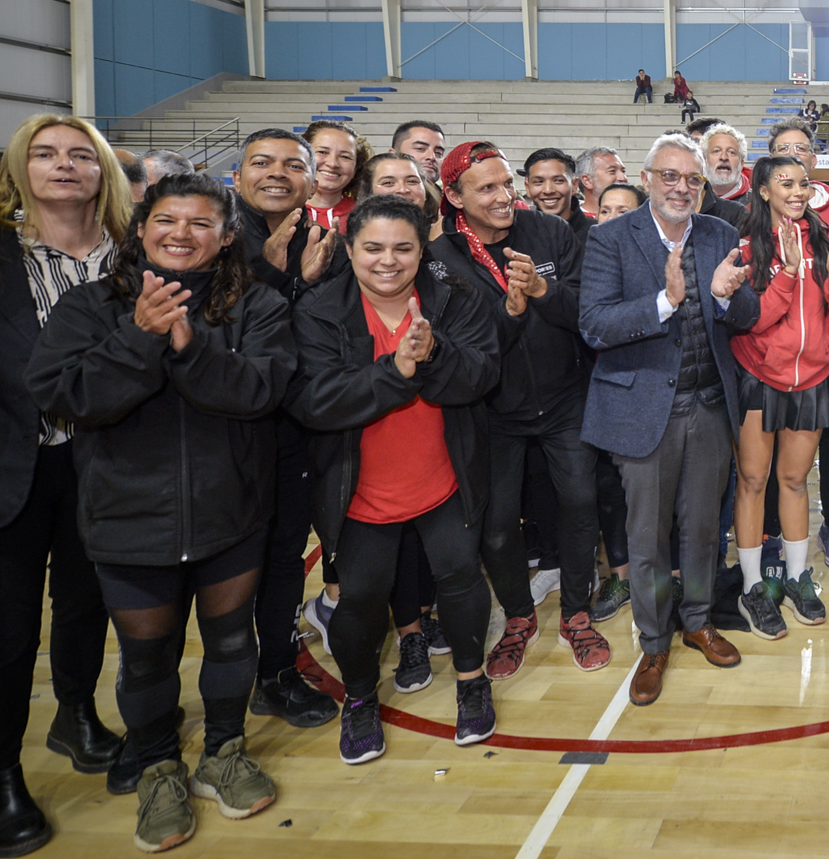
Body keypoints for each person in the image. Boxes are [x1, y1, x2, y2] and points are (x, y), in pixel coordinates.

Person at [28, 173, 296, 852]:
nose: (183, 233)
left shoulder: (257, 306)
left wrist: (189, 346)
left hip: (230, 511)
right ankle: (158, 769)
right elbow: (71, 397)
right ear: (141, 229)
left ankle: (224, 755)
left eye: (202, 222)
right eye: (168, 221)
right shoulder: (92, 307)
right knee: (147, 660)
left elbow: (259, 391)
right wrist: (139, 338)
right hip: (128, 517)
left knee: (234, 641)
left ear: (228, 235)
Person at [286, 195, 502, 765]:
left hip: (444, 477)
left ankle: (471, 679)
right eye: (373, 248)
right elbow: (315, 402)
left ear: (421, 249)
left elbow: (482, 374)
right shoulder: (317, 310)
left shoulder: (455, 295)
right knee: (359, 600)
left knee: (460, 579)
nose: (388, 260)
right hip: (357, 489)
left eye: (403, 247)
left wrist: (434, 355)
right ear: (349, 250)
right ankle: (359, 700)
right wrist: (397, 370)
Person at [578, 134, 760, 707]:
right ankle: (654, 641)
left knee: (704, 527)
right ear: (648, 178)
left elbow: (747, 314)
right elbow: (595, 324)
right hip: (641, 411)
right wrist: (665, 300)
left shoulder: (720, 233)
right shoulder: (610, 239)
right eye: (671, 177)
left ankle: (699, 621)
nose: (683, 188)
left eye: (693, 180)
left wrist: (728, 298)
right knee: (649, 538)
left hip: (708, 406)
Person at [0, 115, 129, 856]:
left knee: (87, 602)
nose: (63, 166)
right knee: (11, 629)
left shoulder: (132, 258)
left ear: (101, 170)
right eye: (45, 154)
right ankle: (4, 772)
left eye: (81, 154)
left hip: (105, 460)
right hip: (18, 462)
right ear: (22, 169)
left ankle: (76, 715)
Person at [432, 142, 604, 677]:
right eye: (487, 188)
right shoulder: (442, 258)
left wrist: (543, 289)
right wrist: (509, 309)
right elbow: (457, 343)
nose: (505, 196)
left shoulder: (550, 232)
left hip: (563, 398)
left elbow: (587, 313)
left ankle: (576, 613)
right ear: (454, 196)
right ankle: (518, 617)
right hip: (492, 410)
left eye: (507, 183)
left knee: (579, 504)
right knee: (499, 526)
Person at [231, 130, 343, 730]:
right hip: (228, 432)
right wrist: (274, 275)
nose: (277, 174)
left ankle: (274, 671)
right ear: (237, 173)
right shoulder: (212, 236)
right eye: (262, 162)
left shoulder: (317, 235)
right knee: (227, 570)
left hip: (295, 425)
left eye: (292, 164)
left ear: (311, 176)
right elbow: (219, 334)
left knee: (281, 558)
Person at [730, 155, 829, 637]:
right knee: (753, 481)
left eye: (804, 183)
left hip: (813, 380)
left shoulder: (828, 239)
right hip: (759, 379)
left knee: (795, 481)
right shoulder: (745, 246)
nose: (798, 191)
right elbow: (752, 319)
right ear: (763, 190)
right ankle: (751, 585)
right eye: (786, 183)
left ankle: (800, 577)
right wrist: (785, 271)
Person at [582, 182, 644, 625]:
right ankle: (619, 575)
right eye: (606, 209)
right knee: (611, 491)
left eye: (625, 209)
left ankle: (670, 576)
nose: (614, 217)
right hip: (604, 387)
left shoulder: (658, 258)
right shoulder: (592, 257)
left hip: (654, 389)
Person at [304, 122, 371, 233]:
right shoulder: (280, 211)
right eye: (322, 152)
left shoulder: (365, 216)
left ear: (356, 168)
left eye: (345, 157)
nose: (333, 163)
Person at [358, 151, 441, 239]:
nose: (403, 190)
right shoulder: (357, 237)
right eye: (388, 183)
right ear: (368, 192)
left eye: (412, 181)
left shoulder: (442, 235)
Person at [769, 121, 829, 219]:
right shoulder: (754, 211)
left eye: (801, 148)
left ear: (813, 160)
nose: (792, 154)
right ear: (771, 160)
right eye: (783, 148)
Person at [523, 148, 593, 244]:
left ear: (574, 185)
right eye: (539, 182)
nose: (548, 190)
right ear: (528, 188)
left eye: (558, 180)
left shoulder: (597, 234)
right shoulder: (518, 235)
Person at [576, 146, 630, 220]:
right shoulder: (570, 223)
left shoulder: (636, 216)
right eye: (612, 171)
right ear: (587, 181)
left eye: (623, 171)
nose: (623, 178)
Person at [703, 124, 750, 203]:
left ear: (741, 163)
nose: (724, 157)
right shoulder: (689, 199)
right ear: (704, 160)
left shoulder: (757, 204)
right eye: (716, 151)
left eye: (731, 152)